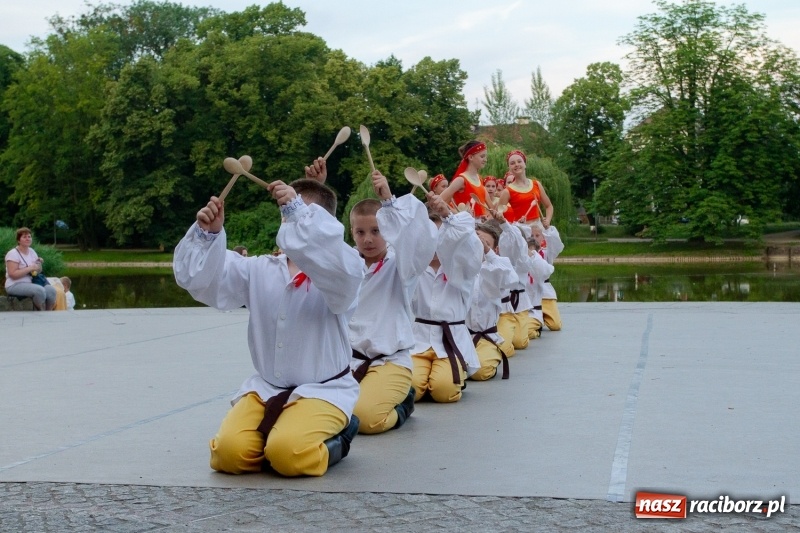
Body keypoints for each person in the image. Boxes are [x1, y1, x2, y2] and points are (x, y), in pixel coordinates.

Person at [173, 178, 364, 477]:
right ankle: (280, 438)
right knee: (228, 455)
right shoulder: (260, 268)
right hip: (266, 389)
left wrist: (299, 213)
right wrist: (208, 235)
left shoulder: (345, 270)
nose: (294, 220)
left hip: (324, 390)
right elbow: (205, 282)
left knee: (289, 456)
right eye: (287, 213)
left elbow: (335, 267)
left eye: (302, 213)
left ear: (324, 223)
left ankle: (339, 432)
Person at [348, 170, 437, 434]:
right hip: (347, 360)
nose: (368, 239)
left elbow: (418, 242)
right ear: (351, 233)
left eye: (376, 231)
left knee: (366, 419)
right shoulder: (346, 263)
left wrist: (388, 202)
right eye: (360, 232)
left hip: (389, 361)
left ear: (387, 228)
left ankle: (404, 404)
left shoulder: (402, 265)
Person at [410, 198, 483, 403]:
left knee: (443, 392)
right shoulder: (413, 267)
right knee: (412, 389)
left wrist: (448, 217)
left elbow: (472, 249)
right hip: (420, 340)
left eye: (440, 237)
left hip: (450, 340)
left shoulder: (460, 268)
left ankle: (453, 376)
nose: (435, 243)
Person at [467, 222, 516, 380]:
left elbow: (511, 279)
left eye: (486, 243)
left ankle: (492, 353)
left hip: (485, 335)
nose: (479, 246)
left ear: (495, 249)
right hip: (461, 335)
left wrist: (486, 250)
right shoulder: (460, 267)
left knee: (480, 372)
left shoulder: (497, 268)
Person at [4, 227, 57, 311]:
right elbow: (13, 274)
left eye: (29, 236)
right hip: (15, 284)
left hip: (32, 282)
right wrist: (30, 268)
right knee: (39, 291)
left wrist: (38, 264)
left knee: (51, 291)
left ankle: (48, 312)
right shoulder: (13, 254)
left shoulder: (32, 251)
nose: (27, 239)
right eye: (24, 237)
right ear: (18, 240)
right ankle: (41, 311)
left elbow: (38, 271)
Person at [499, 150, 554, 227]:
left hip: (538, 229)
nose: (516, 164)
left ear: (525, 164)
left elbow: (549, 206)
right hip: (520, 230)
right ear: (509, 168)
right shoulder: (507, 191)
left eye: (519, 161)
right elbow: (499, 214)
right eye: (512, 163)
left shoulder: (536, 184)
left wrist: (547, 220)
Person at [439, 140, 490, 218]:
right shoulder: (461, 180)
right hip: (466, 224)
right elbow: (439, 200)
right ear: (471, 157)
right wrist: (457, 213)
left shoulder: (479, 178)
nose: (485, 160)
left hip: (479, 224)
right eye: (482, 156)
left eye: (486, 157)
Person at [532, 221, 565, 331]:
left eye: (537, 235)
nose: (534, 238)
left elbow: (556, 245)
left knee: (555, 325)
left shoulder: (547, 253)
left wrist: (548, 230)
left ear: (543, 238)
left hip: (545, 292)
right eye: (531, 235)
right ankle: (536, 322)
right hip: (530, 292)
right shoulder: (524, 253)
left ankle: (540, 318)